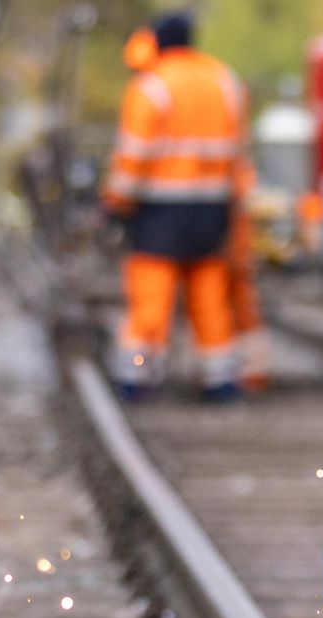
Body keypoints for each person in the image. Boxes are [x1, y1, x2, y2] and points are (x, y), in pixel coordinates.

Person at [103, 11, 255, 401]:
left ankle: (137, 379)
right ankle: (219, 381)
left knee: (151, 301)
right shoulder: (225, 80)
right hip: (213, 209)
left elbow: (134, 155)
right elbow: (239, 150)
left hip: (159, 213)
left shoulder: (151, 86)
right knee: (210, 298)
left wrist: (116, 202)